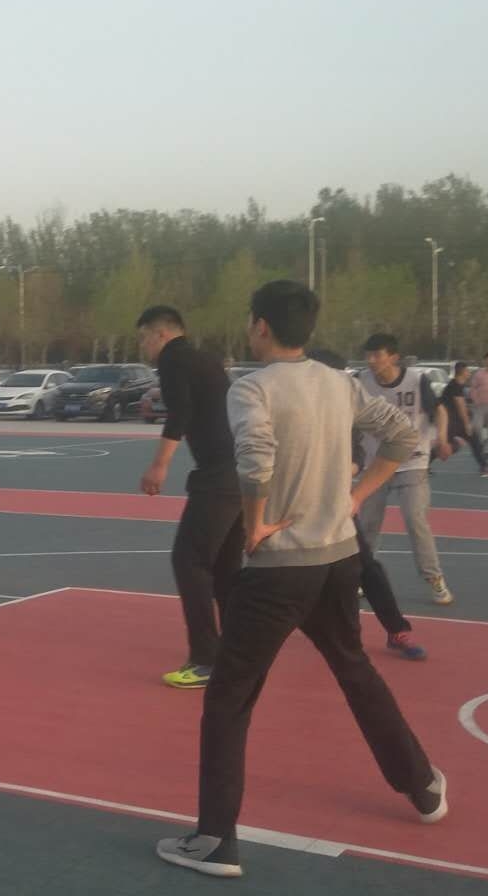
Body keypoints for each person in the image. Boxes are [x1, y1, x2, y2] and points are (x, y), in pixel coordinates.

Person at [156, 281, 443, 880]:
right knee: (354, 670)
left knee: (229, 698)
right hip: (337, 560)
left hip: (278, 569)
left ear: (260, 325)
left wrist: (256, 523)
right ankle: (422, 784)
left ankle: (215, 840)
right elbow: (402, 435)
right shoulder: (340, 384)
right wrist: (355, 496)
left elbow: (255, 460)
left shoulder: (253, 388)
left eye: (249, 321)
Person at [135, 306, 244, 690]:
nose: (143, 346)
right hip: (242, 472)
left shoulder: (173, 360)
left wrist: (159, 466)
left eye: (144, 338)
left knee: (190, 561)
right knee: (226, 567)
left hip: (218, 475)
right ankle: (237, 650)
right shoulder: (206, 359)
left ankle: (205, 659)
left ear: (161, 334)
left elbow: (179, 414)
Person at [309, 348, 427, 661]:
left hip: (335, 502)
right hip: (293, 504)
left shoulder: (346, 410)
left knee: (365, 567)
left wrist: (351, 477)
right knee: (277, 573)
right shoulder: (288, 407)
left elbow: (359, 455)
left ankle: (396, 629)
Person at [356, 335, 454, 606]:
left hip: (412, 460)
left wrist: (442, 438)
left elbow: (440, 411)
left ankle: (434, 578)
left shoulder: (417, 380)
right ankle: (362, 577)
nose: (371, 360)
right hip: (376, 463)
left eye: (377, 355)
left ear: (394, 357)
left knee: (415, 519)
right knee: (367, 524)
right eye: (368, 355)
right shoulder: (360, 381)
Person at [440, 362, 488, 475]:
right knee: (446, 446)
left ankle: (484, 466)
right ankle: (426, 463)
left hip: (456, 421)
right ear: (462, 372)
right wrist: (467, 423)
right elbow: (460, 405)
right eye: (467, 371)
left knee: (474, 440)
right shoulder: (455, 386)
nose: (469, 373)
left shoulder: (458, 385)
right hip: (449, 423)